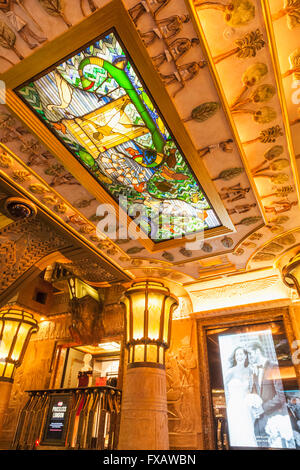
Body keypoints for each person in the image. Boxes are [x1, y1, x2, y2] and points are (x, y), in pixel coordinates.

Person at [247, 341, 288, 448]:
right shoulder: (254, 371)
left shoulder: (273, 367)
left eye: (251, 354)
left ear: (257, 351)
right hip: (261, 421)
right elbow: (255, 394)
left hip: (276, 417)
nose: (249, 357)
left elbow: (281, 396)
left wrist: (263, 408)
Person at [224, 346, 257, 447]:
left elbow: (251, 390)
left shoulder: (250, 371)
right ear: (234, 357)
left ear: (245, 356)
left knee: (247, 433)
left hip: (246, 407)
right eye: (237, 354)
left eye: (241, 354)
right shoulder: (230, 372)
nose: (239, 356)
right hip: (234, 406)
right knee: (236, 433)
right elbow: (224, 388)